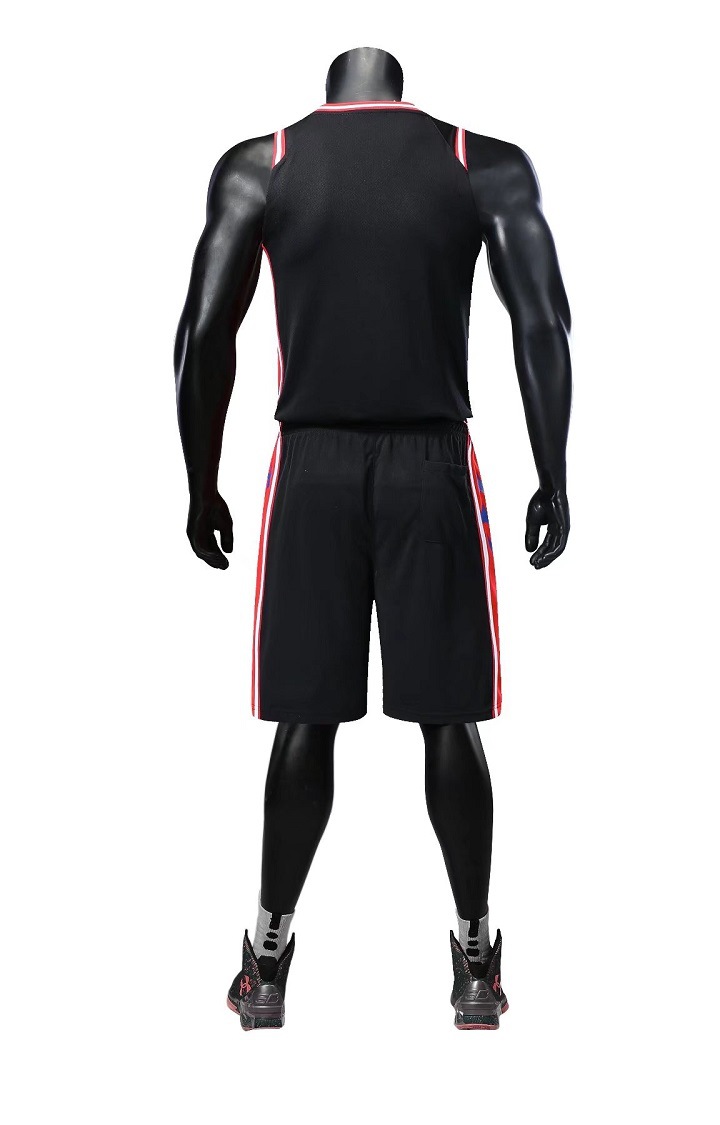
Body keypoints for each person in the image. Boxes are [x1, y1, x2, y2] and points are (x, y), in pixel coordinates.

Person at [174, 47, 571, 1031]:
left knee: (304, 722)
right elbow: (543, 325)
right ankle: (476, 961)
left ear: (333, 92)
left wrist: (200, 481)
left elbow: (200, 336)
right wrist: (555, 473)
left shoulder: (262, 164)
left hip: (310, 470)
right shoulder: (479, 162)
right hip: (431, 468)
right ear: (397, 90)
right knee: (451, 721)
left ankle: (267, 962)